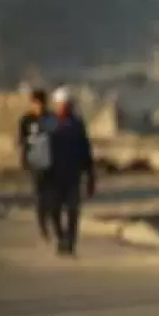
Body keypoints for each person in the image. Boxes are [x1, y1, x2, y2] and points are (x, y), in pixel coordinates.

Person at [44, 87, 95, 256]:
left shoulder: (77, 125)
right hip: (53, 176)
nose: (64, 107)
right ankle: (61, 237)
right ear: (56, 105)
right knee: (54, 210)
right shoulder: (48, 124)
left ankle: (70, 242)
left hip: (73, 175)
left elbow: (85, 150)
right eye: (61, 104)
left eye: (67, 104)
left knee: (73, 211)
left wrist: (90, 176)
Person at [16, 88, 54, 242]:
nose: (39, 107)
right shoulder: (26, 120)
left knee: (51, 194)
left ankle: (51, 219)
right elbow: (22, 142)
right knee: (40, 195)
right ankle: (43, 225)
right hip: (35, 162)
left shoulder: (51, 119)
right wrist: (24, 160)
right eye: (36, 104)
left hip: (51, 161)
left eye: (41, 104)